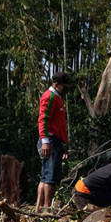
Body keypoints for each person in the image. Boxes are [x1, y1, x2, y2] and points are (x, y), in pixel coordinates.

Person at [35, 71, 72, 210]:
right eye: (63, 86)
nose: (65, 89)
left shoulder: (57, 97)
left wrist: (63, 144)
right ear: (56, 85)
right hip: (49, 140)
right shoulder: (49, 96)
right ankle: (46, 209)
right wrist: (45, 140)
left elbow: (60, 125)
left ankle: (39, 208)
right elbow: (43, 118)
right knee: (50, 177)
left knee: (46, 176)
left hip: (55, 141)